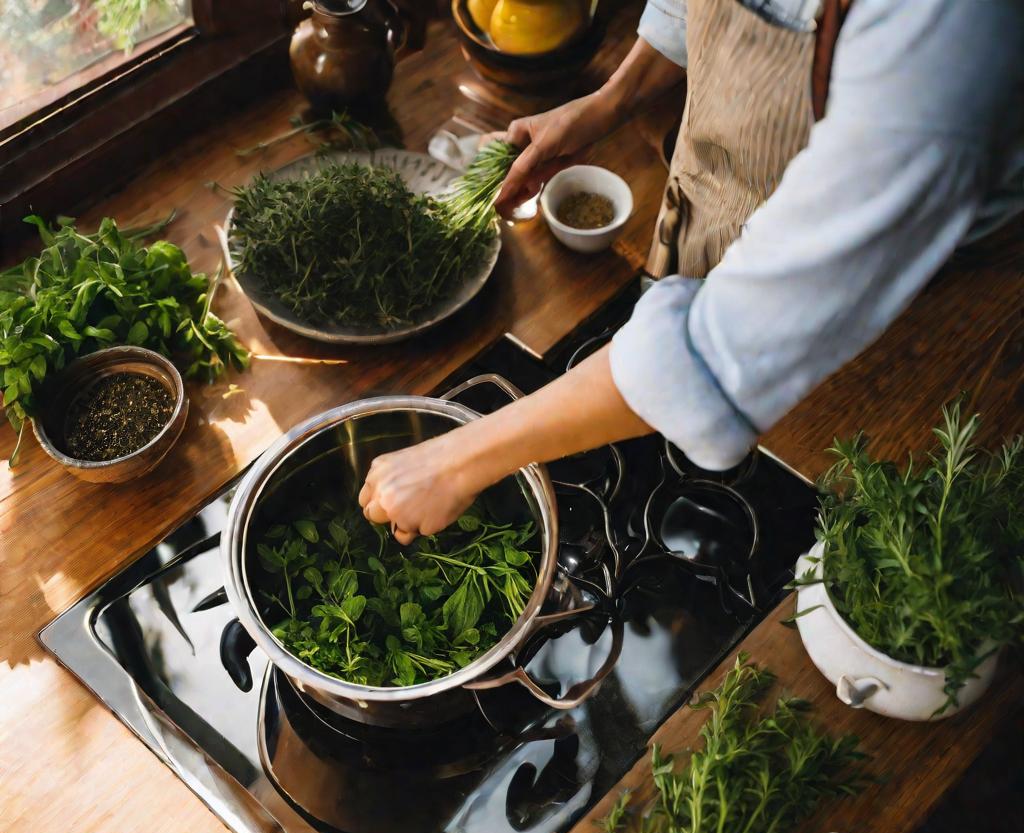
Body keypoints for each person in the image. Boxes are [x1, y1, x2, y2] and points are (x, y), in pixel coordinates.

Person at [359, 0, 1024, 545]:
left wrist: (460, 456)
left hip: (904, 298)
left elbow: (716, 353)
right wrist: (608, 102)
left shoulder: (946, 25)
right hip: (723, 206)